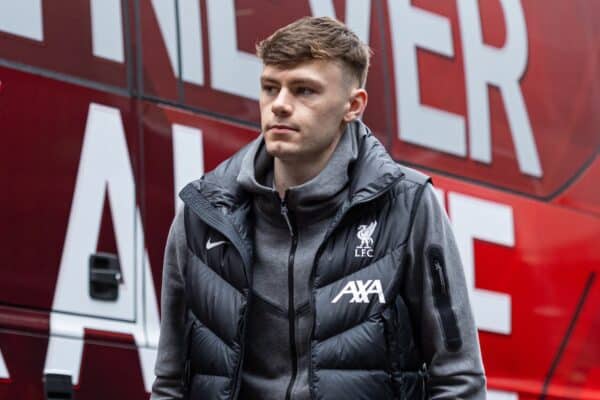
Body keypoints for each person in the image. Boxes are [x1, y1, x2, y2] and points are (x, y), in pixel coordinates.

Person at [151, 16, 486, 400]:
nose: (279, 105)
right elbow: (170, 382)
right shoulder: (205, 213)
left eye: (304, 90)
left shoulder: (407, 205)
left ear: (353, 105)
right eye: (270, 88)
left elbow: (458, 378)